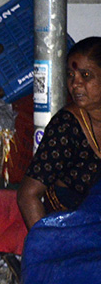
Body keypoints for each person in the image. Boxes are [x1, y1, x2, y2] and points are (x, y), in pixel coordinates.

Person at [18, 36, 101, 230]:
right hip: (71, 234)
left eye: (86, 75)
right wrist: (50, 248)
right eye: (70, 75)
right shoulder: (66, 126)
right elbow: (27, 195)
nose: (76, 84)